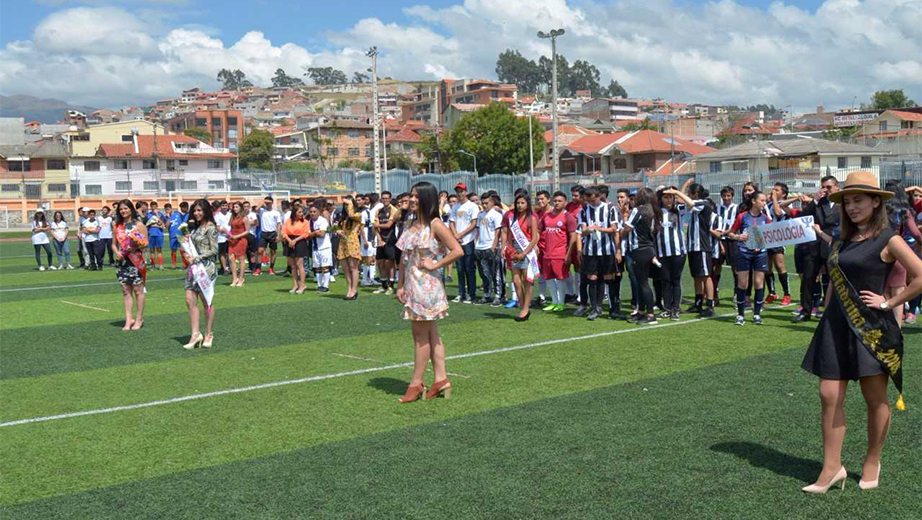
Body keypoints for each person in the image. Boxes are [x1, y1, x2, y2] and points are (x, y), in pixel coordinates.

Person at [800, 171, 922, 494]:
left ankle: (872, 459)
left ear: (875, 202)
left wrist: (891, 301)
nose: (852, 207)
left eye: (859, 200)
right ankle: (831, 467)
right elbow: (834, 283)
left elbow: (920, 274)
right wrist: (823, 314)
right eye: (848, 201)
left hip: (871, 330)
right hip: (836, 325)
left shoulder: (889, 239)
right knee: (829, 394)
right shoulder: (840, 239)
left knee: (875, 398)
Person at [395, 181, 463, 403]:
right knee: (431, 334)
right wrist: (400, 284)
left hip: (427, 286)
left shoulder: (435, 224)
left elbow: (457, 250)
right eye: (411, 196)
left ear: (427, 198)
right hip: (413, 285)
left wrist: (436, 264)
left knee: (420, 336)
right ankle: (441, 379)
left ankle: (416, 383)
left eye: (416, 196)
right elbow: (404, 258)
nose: (412, 200)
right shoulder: (409, 224)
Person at [794, 176, 840, 323]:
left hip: (832, 245)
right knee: (807, 279)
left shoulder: (843, 202)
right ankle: (805, 311)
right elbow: (804, 216)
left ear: (836, 186)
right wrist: (814, 201)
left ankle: (832, 312)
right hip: (814, 247)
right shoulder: (819, 202)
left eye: (828, 187)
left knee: (834, 281)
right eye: (823, 187)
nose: (825, 190)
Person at [727, 190, 771, 326]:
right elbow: (730, 233)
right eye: (762, 200)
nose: (764, 203)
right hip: (744, 253)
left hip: (761, 254)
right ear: (754, 201)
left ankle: (757, 314)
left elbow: (769, 237)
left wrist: (762, 244)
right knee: (743, 284)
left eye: (765, 201)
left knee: (759, 283)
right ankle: (740, 315)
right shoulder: (742, 217)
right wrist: (738, 237)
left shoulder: (766, 219)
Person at [576, 186, 619, 321]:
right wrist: (588, 230)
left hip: (607, 250)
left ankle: (613, 309)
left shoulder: (610, 209)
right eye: (589, 201)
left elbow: (614, 229)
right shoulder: (584, 210)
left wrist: (599, 229)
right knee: (593, 279)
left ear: (600, 195)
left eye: (594, 200)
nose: (592, 203)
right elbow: (582, 231)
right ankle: (595, 308)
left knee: (607, 278)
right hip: (590, 251)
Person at [620, 188, 661, 324]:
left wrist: (624, 217)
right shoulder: (654, 211)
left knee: (642, 283)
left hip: (639, 249)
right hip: (648, 248)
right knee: (641, 282)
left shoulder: (638, 210)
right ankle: (642, 311)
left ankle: (650, 315)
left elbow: (628, 228)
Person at [182, 199, 219, 349]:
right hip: (193, 268)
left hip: (206, 268)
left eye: (199, 210)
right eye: (195, 211)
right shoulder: (195, 228)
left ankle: (208, 333)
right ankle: (195, 334)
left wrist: (198, 257)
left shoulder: (211, 228)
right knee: (189, 299)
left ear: (205, 211)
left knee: (206, 301)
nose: (197, 213)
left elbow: (215, 249)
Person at [503, 193, 540, 321]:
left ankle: (525, 308)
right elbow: (508, 235)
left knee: (527, 280)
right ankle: (523, 305)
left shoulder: (532, 218)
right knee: (516, 281)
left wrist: (524, 253)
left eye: (522, 203)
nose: (520, 205)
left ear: (527, 204)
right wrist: (510, 250)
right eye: (518, 203)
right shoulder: (512, 218)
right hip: (515, 251)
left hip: (527, 251)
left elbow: (535, 238)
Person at [112, 200, 148, 331]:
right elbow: (113, 244)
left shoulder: (139, 225)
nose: (123, 211)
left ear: (131, 209)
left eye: (125, 208)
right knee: (126, 291)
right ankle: (128, 319)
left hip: (136, 261)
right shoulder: (117, 226)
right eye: (121, 209)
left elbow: (145, 243)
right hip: (122, 262)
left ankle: (139, 318)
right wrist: (117, 253)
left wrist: (136, 243)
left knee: (138, 291)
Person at [539, 191, 578, 312]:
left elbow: (573, 237)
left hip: (560, 254)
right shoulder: (547, 216)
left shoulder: (568, 217)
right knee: (549, 278)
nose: (557, 203)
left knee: (560, 278)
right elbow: (538, 231)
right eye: (555, 201)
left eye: (559, 201)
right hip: (547, 254)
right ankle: (554, 302)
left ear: (565, 202)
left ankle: (561, 302)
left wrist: (568, 254)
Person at [656, 187, 687, 320]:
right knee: (665, 282)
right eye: (666, 197)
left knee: (675, 281)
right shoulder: (656, 212)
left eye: (671, 197)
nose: (669, 199)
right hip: (662, 253)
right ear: (661, 199)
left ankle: (675, 309)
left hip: (678, 252)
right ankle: (668, 308)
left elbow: (691, 204)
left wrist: (677, 193)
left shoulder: (678, 210)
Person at [449, 183, 480, 303]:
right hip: (458, 242)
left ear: (466, 192)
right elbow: (451, 222)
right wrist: (456, 235)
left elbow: (473, 224)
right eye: (458, 191)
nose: (459, 193)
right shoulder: (455, 207)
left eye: (461, 191)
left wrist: (461, 234)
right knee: (460, 269)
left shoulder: (472, 206)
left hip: (468, 241)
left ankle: (471, 294)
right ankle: (461, 293)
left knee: (469, 269)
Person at [473, 192, 503, 305]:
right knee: (484, 273)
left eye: (486, 203)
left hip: (491, 247)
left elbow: (498, 232)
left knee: (495, 273)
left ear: (492, 202)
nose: (484, 205)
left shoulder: (496, 214)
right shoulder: (480, 215)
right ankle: (487, 294)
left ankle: (498, 295)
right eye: (483, 203)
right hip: (480, 248)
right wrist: (476, 244)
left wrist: (494, 246)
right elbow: (478, 231)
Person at [336, 195, 363, 300]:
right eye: (345, 205)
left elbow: (352, 215)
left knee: (353, 267)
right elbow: (342, 228)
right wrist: (338, 232)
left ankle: (354, 289)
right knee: (346, 268)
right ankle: (349, 289)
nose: (346, 206)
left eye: (348, 204)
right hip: (343, 242)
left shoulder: (357, 214)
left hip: (352, 242)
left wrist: (350, 203)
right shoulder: (344, 217)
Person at [373, 191, 400, 294]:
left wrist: (377, 226)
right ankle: (383, 285)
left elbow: (389, 225)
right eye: (383, 198)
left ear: (390, 199)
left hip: (390, 240)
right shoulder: (378, 211)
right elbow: (375, 226)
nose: (385, 200)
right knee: (380, 263)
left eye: (387, 198)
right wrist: (379, 239)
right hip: (381, 240)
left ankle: (391, 286)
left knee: (390, 263)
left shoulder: (394, 210)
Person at [284, 205, 311, 294]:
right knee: (292, 266)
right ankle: (295, 285)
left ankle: (302, 285)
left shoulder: (305, 222)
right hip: (289, 242)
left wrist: (295, 240)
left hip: (300, 242)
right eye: (299, 212)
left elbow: (306, 233)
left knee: (300, 264)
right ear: (294, 213)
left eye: (302, 212)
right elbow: (284, 232)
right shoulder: (288, 221)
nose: (301, 214)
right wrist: (289, 241)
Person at [308, 200, 333, 292]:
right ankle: (319, 285)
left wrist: (312, 233)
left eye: (314, 212)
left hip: (324, 247)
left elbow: (322, 234)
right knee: (317, 268)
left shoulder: (323, 221)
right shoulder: (309, 222)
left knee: (325, 267)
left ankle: (326, 286)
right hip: (315, 248)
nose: (312, 213)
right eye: (310, 212)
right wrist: (315, 232)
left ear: (318, 212)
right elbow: (307, 235)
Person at [256, 196, 283, 276]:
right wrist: (263, 201)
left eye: (269, 203)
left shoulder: (276, 213)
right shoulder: (262, 211)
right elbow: (257, 208)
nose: (267, 204)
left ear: (272, 203)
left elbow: (278, 225)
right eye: (266, 203)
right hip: (264, 233)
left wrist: (278, 235)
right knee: (260, 251)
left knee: (273, 251)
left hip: (273, 233)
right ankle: (258, 268)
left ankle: (271, 268)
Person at [227, 201, 249, 287]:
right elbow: (231, 228)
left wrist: (237, 236)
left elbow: (247, 231)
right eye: (234, 207)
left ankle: (241, 279)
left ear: (241, 208)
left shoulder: (244, 218)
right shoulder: (232, 217)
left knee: (241, 259)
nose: (235, 208)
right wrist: (228, 234)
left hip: (241, 240)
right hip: (232, 240)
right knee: (231, 258)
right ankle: (234, 278)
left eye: (237, 207)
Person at [168, 202, 189, 269]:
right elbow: (168, 224)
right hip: (173, 235)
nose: (182, 209)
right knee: (173, 250)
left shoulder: (188, 215)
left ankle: (185, 264)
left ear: (187, 207)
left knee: (182, 250)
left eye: (183, 207)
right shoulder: (176, 214)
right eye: (181, 207)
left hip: (181, 235)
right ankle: (174, 265)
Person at [146, 201, 166, 270]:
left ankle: (160, 265)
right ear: (150, 207)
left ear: (157, 207)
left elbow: (162, 224)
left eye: (155, 206)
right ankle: (153, 265)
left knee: (159, 250)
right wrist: (155, 225)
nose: (153, 207)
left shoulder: (160, 214)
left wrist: (157, 214)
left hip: (159, 234)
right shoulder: (148, 215)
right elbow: (147, 224)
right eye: (152, 206)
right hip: (151, 234)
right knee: (151, 250)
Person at [214, 200, 231, 276]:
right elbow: (217, 227)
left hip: (231, 237)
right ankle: (225, 269)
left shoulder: (231, 214)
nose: (224, 207)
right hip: (221, 237)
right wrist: (226, 233)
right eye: (223, 206)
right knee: (222, 254)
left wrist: (231, 234)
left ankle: (230, 267)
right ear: (220, 207)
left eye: (226, 206)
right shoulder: (217, 215)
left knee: (230, 253)